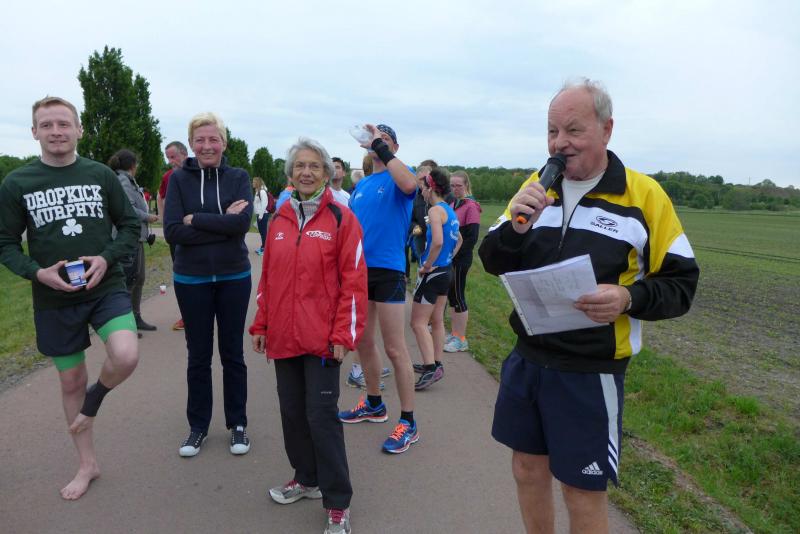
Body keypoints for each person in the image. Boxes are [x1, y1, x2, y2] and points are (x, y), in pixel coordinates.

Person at [479, 78, 699, 533]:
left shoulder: (644, 196)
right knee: (526, 469)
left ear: (607, 129)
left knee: (581, 490)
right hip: (528, 358)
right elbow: (491, 260)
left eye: (573, 130)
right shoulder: (537, 186)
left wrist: (628, 298)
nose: (559, 143)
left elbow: (682, 284)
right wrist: (516, 229)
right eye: (552, 131)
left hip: (589, 370)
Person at [0, 96, 140, 500]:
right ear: (34, 132)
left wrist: (106, 257)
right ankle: (86, 464)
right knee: (71, 380)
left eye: (64, 124)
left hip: (105, 286)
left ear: (79, 129)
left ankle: (95, 399)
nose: (56, 132)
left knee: (126, 355)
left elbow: (129, 226)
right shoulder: (17, 183)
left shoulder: (99, 174)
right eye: (47, 125)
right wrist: (37, 272)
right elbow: (5, 243)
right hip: (54, 297)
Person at [250, 137, 366, 534]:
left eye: (314, 166)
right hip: (284, 336)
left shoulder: (341, 219)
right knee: (292, 413)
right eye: (299, 165)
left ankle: (338, 502)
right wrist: (262, 323)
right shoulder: (279, 219)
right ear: (290, 173)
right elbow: (268, 278)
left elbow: (354, 281)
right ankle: (306, 478)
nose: (306, 172)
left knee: (321, 416)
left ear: (327, 174)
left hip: (323, 340)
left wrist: (343, 334)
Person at [164, 112, 254, 458]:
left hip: (234, 276)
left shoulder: (238, 177)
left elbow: (241, 225)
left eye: (213, 139)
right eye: (200, 140)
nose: (206, 146)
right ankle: (198, 426)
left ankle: (238, 423)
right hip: (192, 278)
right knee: (198, 355)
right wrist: (221, 223)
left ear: (223, 143)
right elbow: (173, 231)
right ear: (191, 144)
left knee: (232, 353)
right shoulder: (178, 179)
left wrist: (197, 220)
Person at [338, 124, 420, 454]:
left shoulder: (400, 175)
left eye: (385, 139)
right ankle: (374, 403)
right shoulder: (362, 185)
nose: (377, 142)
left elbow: (411, 185)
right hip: (360, 271)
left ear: (394, 147)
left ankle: (409, 421)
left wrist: (382, 147)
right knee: (363, 341)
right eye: (374, 139)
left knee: (395, 348)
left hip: (389, 270)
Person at [410, 168, 461, 390]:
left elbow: (438, 241)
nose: (421, 191)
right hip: (446, 272)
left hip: (433, 273)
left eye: (422, 187)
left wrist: (427, 265)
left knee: (418, 323)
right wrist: (447, 259)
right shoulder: (449, 211)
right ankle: (436, 363)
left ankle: (430, 368)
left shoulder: (434, 211)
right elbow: (459, 240)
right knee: (437, 320)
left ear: (430, 188)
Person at [108, 149, 159, 334]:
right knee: (129, 280)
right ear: (132, 165)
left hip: (137, 237)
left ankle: (135, 317)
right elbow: (127, 209)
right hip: (128, 237)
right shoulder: (123, 181)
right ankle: (126, 323)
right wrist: (147, 216)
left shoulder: (128, 180)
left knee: (139, 277)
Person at [442, 170, 481, 353]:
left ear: (466, 185)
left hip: (461, 259)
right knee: (452, 297)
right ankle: (455, 334)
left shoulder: (471, 206)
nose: (455, 189)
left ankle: (461, 339)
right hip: (451, 258)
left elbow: (472, 238)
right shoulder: (452, 203)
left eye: (458, 185)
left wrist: (454, 255)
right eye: (452, 185)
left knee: (458, 296)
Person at [158, 141, 189, 331]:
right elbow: (160, 196)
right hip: (177, 234)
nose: (171, 161)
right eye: (168, 158)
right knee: (180, 274)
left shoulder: (197, 172)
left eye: (173, 157)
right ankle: (186, 315)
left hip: (197, 230)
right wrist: (165, 222)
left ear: (184, 153)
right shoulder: (168, 176)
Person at [252, 176, 270, 255]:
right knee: (262, 232)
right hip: (259, 215)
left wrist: (261, 216)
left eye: (254, 182)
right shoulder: (257, 191)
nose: (252, 183)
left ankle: (264, 249)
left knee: (263, 232)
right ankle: (263, 247)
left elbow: (264, 204)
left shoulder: (262, 192)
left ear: (257, 183)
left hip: (263, 215)